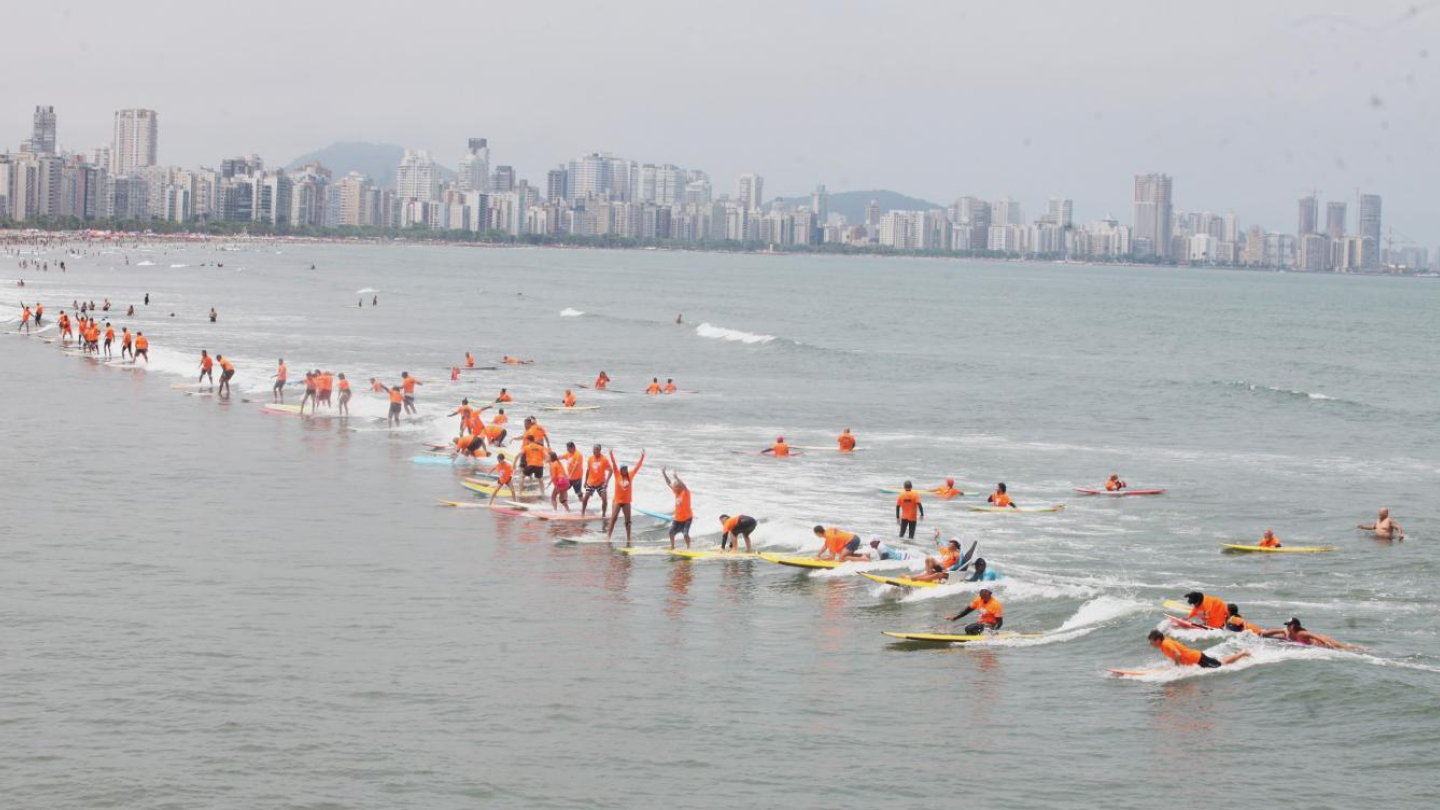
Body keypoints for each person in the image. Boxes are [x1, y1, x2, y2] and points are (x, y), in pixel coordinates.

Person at [1147, 630, 1251, 668]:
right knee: (1220, 662)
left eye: (1151, 641)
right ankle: (1240, 654)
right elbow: (1175, 655)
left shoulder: (1165, 643)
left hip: (1197, 659)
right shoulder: (1163, 644)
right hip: (1195, 658)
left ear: (1158, 640)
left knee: (1221, 665)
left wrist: (1177, 668)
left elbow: (1177, 654)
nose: (1150, 644)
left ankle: (1243, 653)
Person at [605, 450, 646, 545]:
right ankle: (608, 537)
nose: (625, 470)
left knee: (628, 521)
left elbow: (638, 467)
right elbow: (614, 464)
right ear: (620, 470)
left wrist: (642, 456)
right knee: (613, 519)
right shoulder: (617, 474)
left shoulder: (630, 475)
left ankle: (628, 538)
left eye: (626, 468)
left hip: (626, 502)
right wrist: (611, 454)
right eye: (623, 468)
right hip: (617, 501)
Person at [1261, 617, 1362, 650]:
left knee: (1343, 647)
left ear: (1294, 626)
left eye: (1289, 625)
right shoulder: (1287, 633)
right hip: (1313, 643)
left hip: (1322, 641)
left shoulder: (1301, 633)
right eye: (1287, 625)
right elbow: (1267, 634)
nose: (1287, 627)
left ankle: (1361, 648)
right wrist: (1279, 630)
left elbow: (1315, 636)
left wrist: (1326, 643)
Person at [662, 468, 692, 549]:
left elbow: (685, 486)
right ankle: (672, 547)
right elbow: (669, 483)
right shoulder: (676, 492)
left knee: (685, 534)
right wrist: (664, 473)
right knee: (670, 532)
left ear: (681, 487)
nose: (675, 488)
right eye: (675, 487)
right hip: (677, 518)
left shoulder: (686, 493)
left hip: (687, 518)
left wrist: (677, 478)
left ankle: (688, 547)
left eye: (677, 487)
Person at [581, 444, 612, 517]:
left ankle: (603, 515)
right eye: (594, 449)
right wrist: (585, 482)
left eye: (596, 449)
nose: (594, 451)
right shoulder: (590, 459)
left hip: (601, 483)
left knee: (604, 498)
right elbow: (588, 471)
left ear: (600, 450)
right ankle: (582, 514)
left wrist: (606, 482)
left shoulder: (604, 459)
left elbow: (611, 470)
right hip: (591, 482)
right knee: (585, 498)